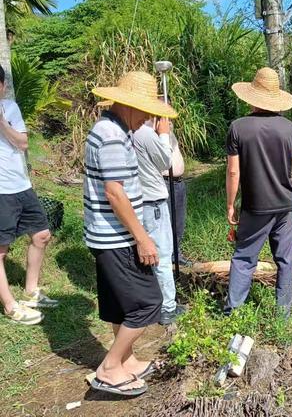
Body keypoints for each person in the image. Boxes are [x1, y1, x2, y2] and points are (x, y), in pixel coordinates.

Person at [85, 71, 177, 397]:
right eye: (147, 111)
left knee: (120, 304)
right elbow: (115, 193)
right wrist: (142, 237)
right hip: (116, 236)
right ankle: (110, 368)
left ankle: (127, 359)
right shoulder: (110, 134)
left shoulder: (117, 129)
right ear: (129, 105)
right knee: (148, 302)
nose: (149, 119)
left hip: (109, 234)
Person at [224, 67, 292, 317]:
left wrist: (230, 204)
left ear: (252, 96)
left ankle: (233, 312)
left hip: (255, 206)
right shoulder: (290, 129)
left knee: (244, 258)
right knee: (285, 260)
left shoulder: (238, 127)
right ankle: (283, 314)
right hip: (286, 206)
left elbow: (233, 172)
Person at [0, 64, 57, 325]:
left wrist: (1, 122)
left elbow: (22, 143)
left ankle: (31, 291)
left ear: (2, 86)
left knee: (42, 235)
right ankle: (10, 306)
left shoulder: (10, 107)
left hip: (21, 185)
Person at [134, 119, 186, 325]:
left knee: (148, 252)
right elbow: (166, 162)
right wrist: (163, 134)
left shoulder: (126, 132)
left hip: (140, 202)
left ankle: (151, 301)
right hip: (151, 203)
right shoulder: (144, 133)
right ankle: (167, 308)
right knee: (162, 255)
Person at [163, 129, 191, 266]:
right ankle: (166, 255)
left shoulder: (168, 128)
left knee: (178, 220)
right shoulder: (150, 129)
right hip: (165, 181)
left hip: (178, 181)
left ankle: (175, 252)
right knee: (166, 221)